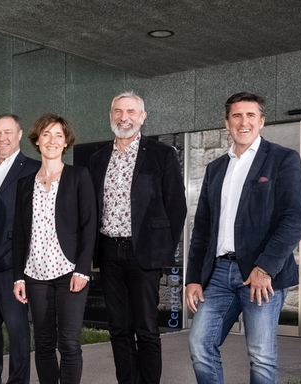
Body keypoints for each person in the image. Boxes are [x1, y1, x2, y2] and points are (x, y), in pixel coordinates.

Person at [185, 92, 301, 384]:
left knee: (261, 355)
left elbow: (294, 219)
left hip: (260, 275)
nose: (244, 122)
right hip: (217, 274)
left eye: (251, 115)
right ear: (227, 123)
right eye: (237, 116)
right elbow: (202, 227)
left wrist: (264, 267)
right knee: (200, 344)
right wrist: (193, 278)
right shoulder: (216, 168)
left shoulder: (282, 159)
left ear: (261, 121)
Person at [88, 92, 187, 384]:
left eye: (131, 111)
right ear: (110, 117)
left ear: (142, 117)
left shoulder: (162, 154)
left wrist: (163, 251)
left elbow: (176, 207)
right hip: (108, 251)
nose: (124, 117)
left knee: (145, 328)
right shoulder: (98, 158)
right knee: (118, 328)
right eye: (118, 111)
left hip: (143, 253)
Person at [12, 113, 96, 384]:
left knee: (69, 343)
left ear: (66, 142)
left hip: (69, 272)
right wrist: (18, 276)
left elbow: (89, 226)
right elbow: (19, 234)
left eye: (58, 135)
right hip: (35, 274)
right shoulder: (25, 184)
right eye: (46, 134)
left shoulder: (78, 176)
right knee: (44, 343)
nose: (52, 140)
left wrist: (83, 270)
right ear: (36, 140)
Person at [0, 113, 39, 384]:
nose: (2, 138)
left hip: (13, 261)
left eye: (8, 132)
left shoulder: (33, 169)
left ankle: (18, 380)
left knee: (17, 329)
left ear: (20, 135)